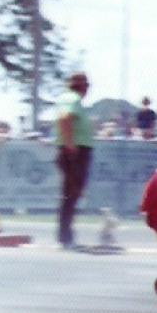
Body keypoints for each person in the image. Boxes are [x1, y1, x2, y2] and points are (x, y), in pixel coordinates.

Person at [55, 73, 94, 249]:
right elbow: (65, 118)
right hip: (74, 151)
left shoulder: (74, 100)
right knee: (71, 193)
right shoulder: (71, 98)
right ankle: (65, 237)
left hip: (77, 150)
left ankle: (66, 235)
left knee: (73, 193)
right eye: (86, 85)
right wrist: (70, 145)